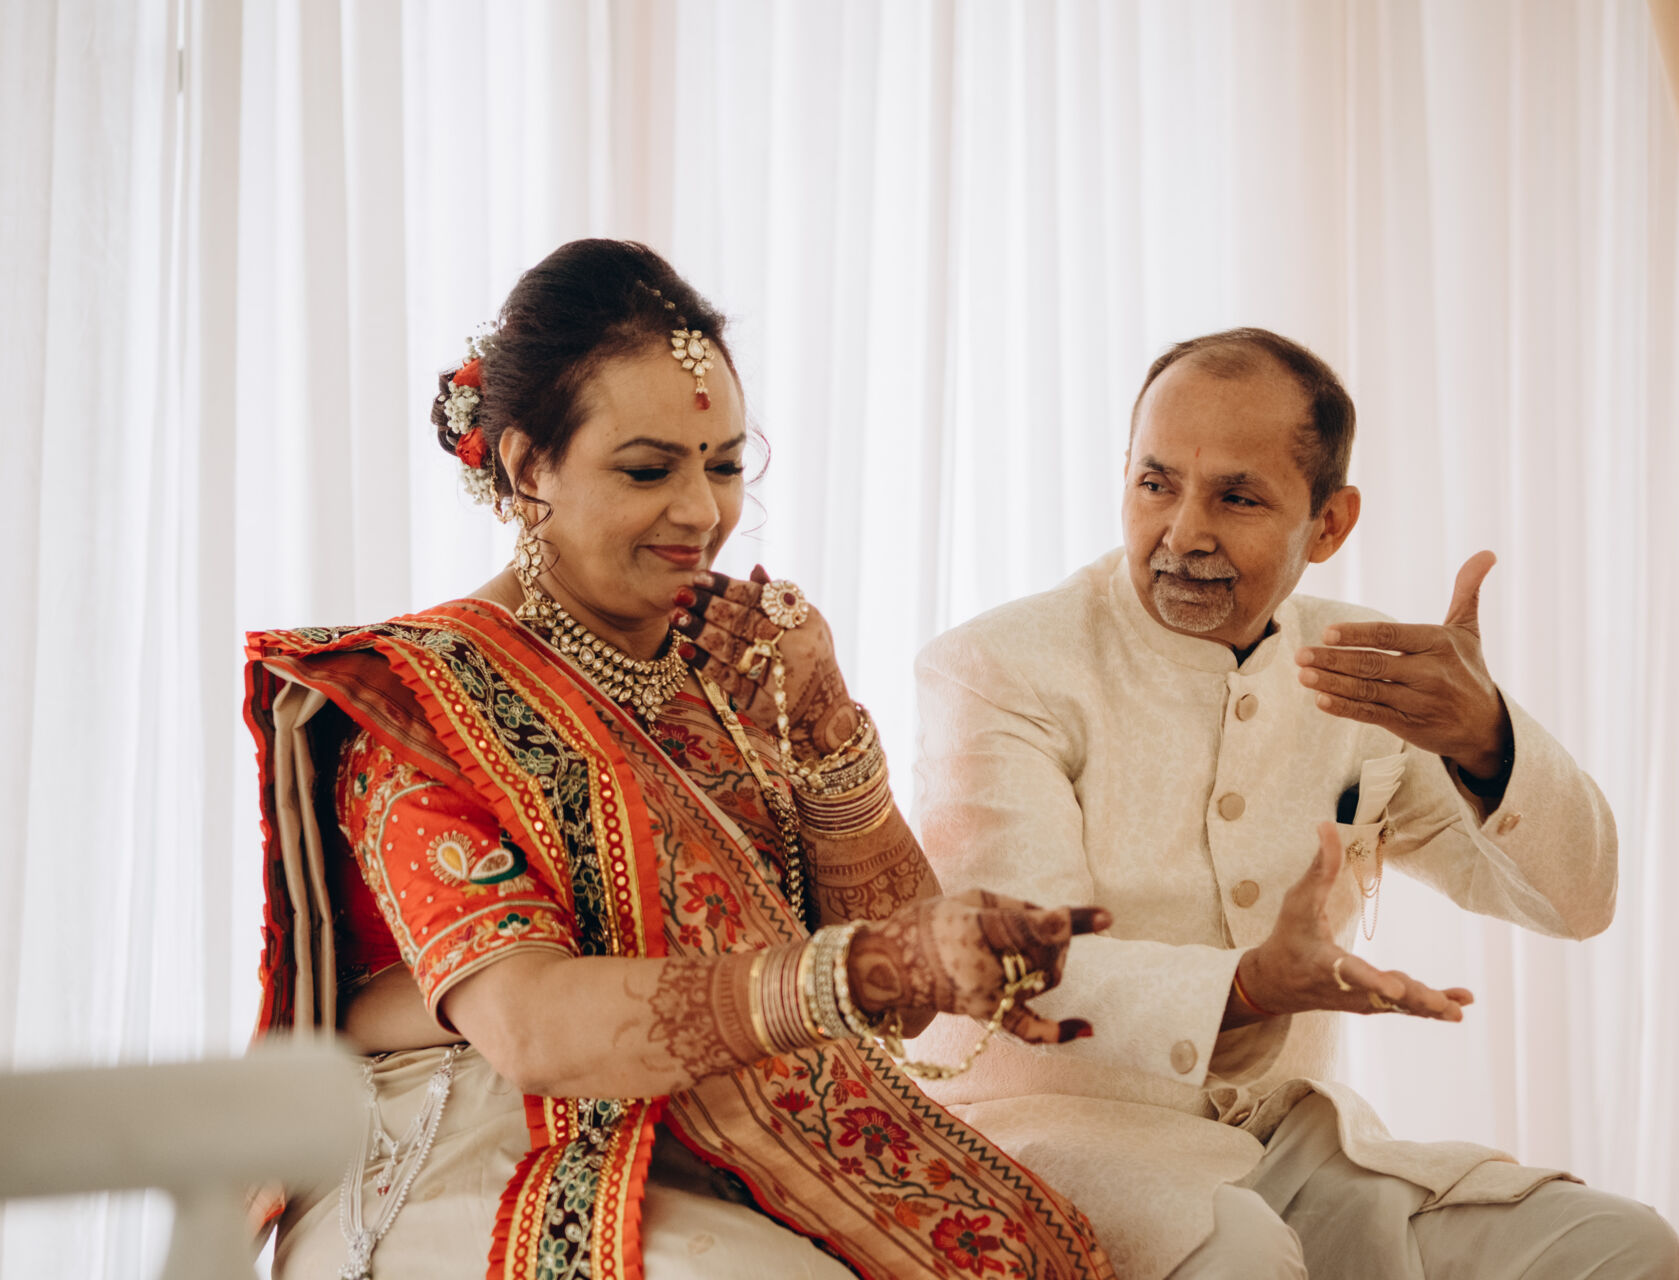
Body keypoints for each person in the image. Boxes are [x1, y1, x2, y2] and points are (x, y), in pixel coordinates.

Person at [247, 238, 1116, 1280]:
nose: (703, 511)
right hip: (480, 1144)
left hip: (735, 1132)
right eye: (649, 469)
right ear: (528, 467)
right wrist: (856, 971)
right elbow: (527, 1025)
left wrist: (829, 734)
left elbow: (909, 1002)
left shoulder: (737, 671)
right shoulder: (425, 699)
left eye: (726, 465)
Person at [911, 328, 1679, 1278]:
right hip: (1044, 1141)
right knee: (1245, 1257)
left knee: (1619, 1246)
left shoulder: (1362, 669)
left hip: (1281, 1146)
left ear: (1330, 524)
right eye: (1156, 483)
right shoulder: (998, 667)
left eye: (1236, 497)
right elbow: (1021, 965)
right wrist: (1249, 986)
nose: (1183, 532)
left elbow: (1577, 903)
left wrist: (1489, 739)